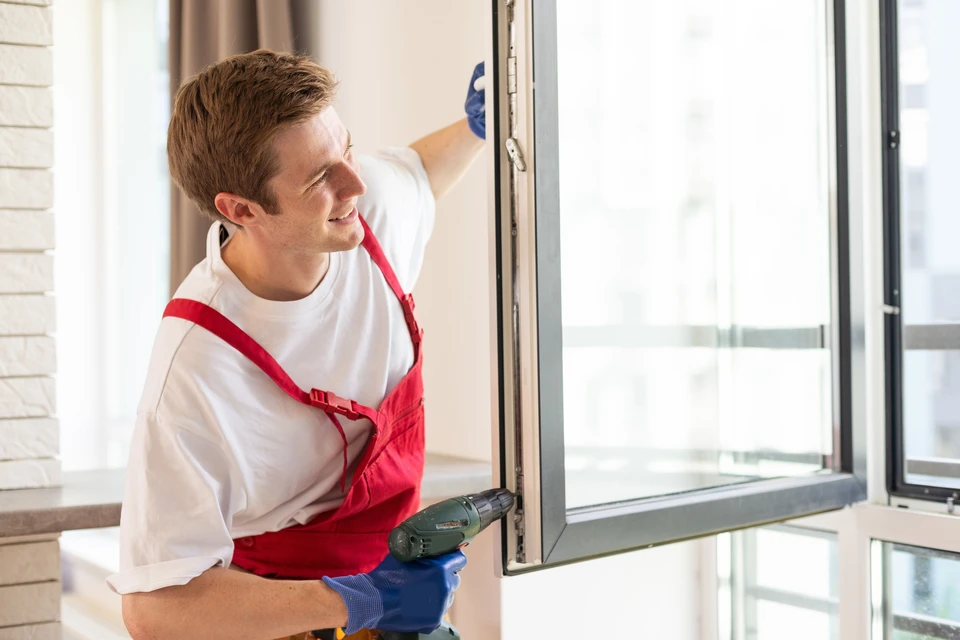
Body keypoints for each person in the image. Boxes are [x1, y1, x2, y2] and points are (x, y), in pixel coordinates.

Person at [107, 50, 487, 640]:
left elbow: (419, 174)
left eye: (348, 150)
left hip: (394, 593)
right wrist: (360, 599)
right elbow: (154, 609)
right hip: (280, 615)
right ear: (240, 209)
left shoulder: (367, 214)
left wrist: (476, 125)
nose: (355, 184)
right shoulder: (196, 368)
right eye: (319, 179)